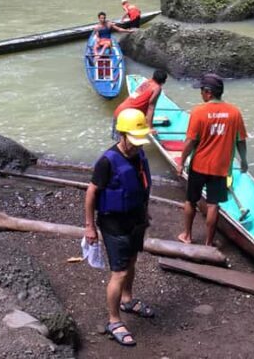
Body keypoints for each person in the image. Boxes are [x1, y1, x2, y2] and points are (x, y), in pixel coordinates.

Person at [85, 108, 155, 348]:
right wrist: (90, 227)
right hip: (114, 223)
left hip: (135, 220)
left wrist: (145, 212)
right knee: (120, 272)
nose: (137, 145)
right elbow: (91, 193)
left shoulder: (139, 154)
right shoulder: (107, 161)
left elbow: (141, 186)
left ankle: (127, 299)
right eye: (133, 140)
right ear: (122, 135)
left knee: (132, 262)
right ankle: (114, 321)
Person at [177, 73, 248, 246]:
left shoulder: (198, 112)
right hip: (221, 168)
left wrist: (181, 161)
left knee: (191, 200)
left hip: (199, 165)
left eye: (202, 90)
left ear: (208, 92)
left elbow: (190, 141)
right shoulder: (235, 112)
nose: (200, 93)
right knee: (213, 204)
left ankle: (187, 236)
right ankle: (208, 243)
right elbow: (241, 141)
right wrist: (244, 160)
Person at [113, 69, 168, 135]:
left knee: (120, 139)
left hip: (119, 111)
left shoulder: (146, 82)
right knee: (131, 140)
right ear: (164, 81)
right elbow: (151, 108)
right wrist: (150, 128)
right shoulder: (157, 88)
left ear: (153, 76)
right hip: (127, 117)